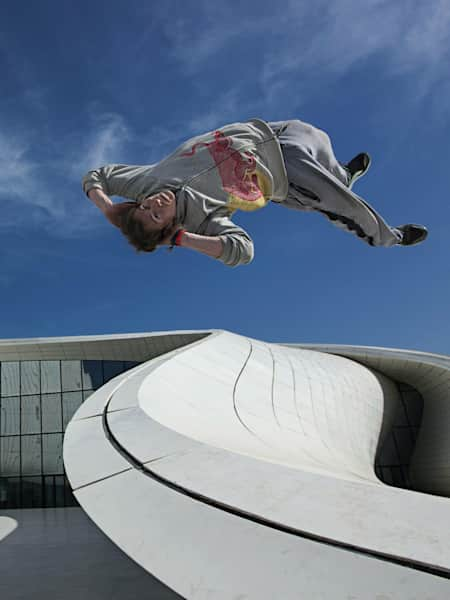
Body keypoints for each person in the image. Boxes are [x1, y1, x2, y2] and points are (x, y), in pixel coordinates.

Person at [82, 118, 428, 267]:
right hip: (285, 173)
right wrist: (181, 239)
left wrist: (106, 207)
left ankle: (343, 174)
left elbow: (99, 174)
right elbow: (241, 252)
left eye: (145, 206)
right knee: (343, 203)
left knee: (320, 139)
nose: (155, 202)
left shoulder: (146, 183)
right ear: (169, 225)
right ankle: (391, 237)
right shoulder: (206, 219)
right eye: (156, 214)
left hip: (274, 130)